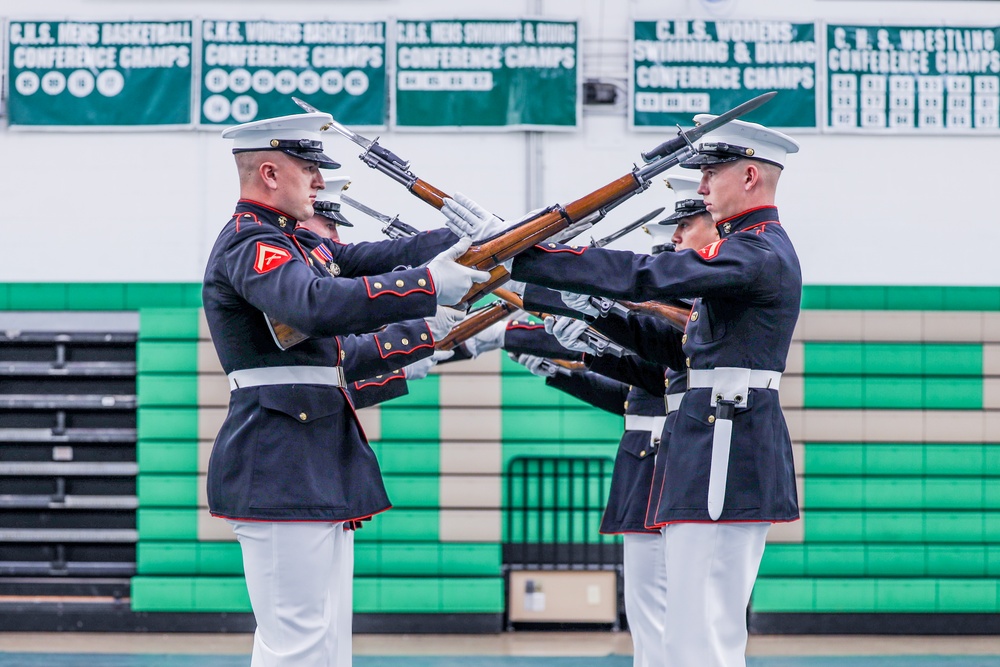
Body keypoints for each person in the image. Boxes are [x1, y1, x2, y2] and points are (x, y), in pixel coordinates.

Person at [451, 118, 801, 667]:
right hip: (708, 442)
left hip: (724, 445)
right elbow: (667, 349)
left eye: (711, 173)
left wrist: (527, 253)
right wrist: (562, 292)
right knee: (690, 624)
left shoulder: (756, 253)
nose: (702, 188)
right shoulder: (745, 254)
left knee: (700, 629)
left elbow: (645, 275)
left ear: (751, 175)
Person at [202, 111, 490, 667]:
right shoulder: (251, 246)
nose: (318, 180)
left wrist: (477, 234)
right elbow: (314, 303)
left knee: (327, 642)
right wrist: (429, 287)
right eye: (309, 168)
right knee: (298, 641)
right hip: (281, 457)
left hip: (308, 453)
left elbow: (380, 258)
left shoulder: (295, 243)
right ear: (268, 172)